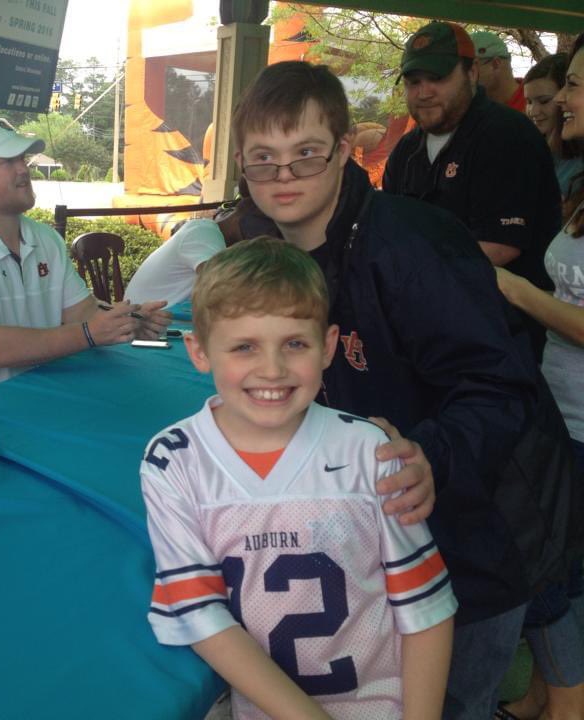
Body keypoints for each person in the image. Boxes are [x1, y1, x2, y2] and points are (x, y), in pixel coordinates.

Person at [169, 59, 542, 720]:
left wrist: (432, 453)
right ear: (240, 163)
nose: (284, 177)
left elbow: (501, 385)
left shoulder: (413, 247)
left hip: (468, 544)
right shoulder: (263, 247)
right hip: (359, 557)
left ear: (345, 151)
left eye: (306, 154)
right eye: (265, 159)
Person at [142, 239, 457, 720]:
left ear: (328, 346)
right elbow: (199, 613)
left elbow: (425, 606)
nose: (272, 369)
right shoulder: (174, 462)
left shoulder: (369, 451)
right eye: (244, 346)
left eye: (294, 343)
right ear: (199, 350)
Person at [0, 118, 171, 400]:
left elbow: (81, 312)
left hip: (31, 389)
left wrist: (127, 322)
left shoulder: (45, 239)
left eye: (21, 158)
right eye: (8, 161)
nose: (23, 168)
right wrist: (90, 334)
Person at [494, 33, 584, 720]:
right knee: (554, 569)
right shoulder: (576, 177)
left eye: (577, 86)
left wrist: (511, 289)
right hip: (559, 406)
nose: (563, 99)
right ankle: (540, 695)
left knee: (560, 575)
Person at [383, 21, 561, 360]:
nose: (424, 92)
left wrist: (405, 278)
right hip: (428, 334)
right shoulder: (406, 152)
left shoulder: (507, 135)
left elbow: (500, 247)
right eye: (413, 82)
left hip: (505, 340)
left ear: (472, 73)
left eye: (438, 78)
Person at [524, 52, 584, 200]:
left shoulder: (577, 165)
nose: (533, 111)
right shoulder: (529, 151)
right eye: (529, 102)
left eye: (544, 101)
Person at [470, 30, 526, 112]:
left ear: (495, 65)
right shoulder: (472, 108)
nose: (466, 77)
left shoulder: (536, 102)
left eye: (471, 70)